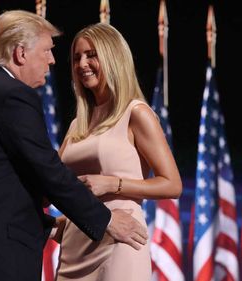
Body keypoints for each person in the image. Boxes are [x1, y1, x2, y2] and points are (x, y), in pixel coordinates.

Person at [0, 10, 148, 281]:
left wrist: (46, 224)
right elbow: (47, 171)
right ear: (21, 53)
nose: (53, 61)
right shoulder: (12, 95)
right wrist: (108, 220)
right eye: (46, 51)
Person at [53, 23, 183, 280]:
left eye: (91, 55)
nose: (82, 64)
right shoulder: (77, 123)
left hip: (119, 238)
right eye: (77, 57)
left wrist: (113, 183)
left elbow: (172, 185)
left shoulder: (136, 113)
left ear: (112, 57)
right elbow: (55, 181)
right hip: (75, 242)